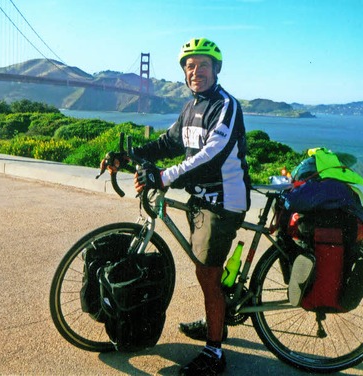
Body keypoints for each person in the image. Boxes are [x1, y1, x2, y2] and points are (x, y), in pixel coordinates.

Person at [122, 37, 250, 375]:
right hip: (200, 197)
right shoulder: (190, 107)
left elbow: (212, 155)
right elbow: (169, 142)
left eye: (203, 65)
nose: (196, 72)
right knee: (205, 271)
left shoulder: (226, 105)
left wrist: (164, 178)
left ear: (216, 69)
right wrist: (131, 156)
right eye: (190, 66)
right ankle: (216, 317)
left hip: (224, 200)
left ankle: (215, 352)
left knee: (207, 272)